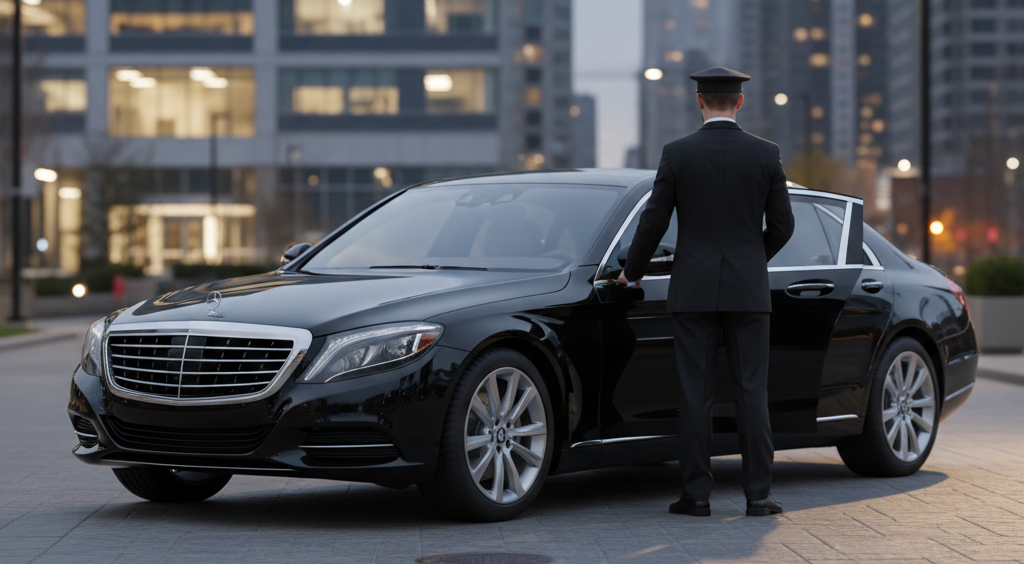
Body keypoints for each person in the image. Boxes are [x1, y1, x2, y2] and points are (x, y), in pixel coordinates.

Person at [617, 67, 795, 517]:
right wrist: (753, 260)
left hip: (693, 290)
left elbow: (652, 220)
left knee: (695, 394)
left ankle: (695, 497)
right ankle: (758, 496)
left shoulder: (677, 154)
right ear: (739, 102)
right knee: (751, 393)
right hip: (748, 292)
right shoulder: (766, 154)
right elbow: (784, 227)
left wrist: (632, 272)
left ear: (699, 101)